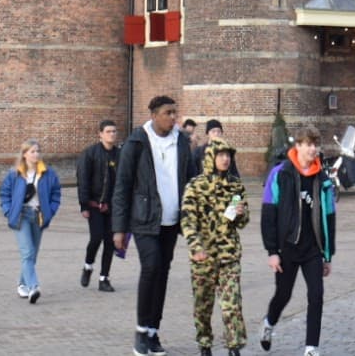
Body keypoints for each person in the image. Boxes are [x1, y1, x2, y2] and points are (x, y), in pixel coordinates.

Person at [114, 95, 199, 356]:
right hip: (144, 218)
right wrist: (118, 227)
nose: (173, 117)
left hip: (172, 220)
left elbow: (192, 179)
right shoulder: (137, 142)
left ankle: (153, 331)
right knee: (151, 267)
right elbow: (122, 185)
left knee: (162, 272)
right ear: (153, 114)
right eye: (167, 112)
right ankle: (141, 331)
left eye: (175, 112)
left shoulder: (182, 141)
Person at [258, 126, 337, 356]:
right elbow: (268, 214)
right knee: (283, 295)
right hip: (287, 248)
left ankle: (311, 347)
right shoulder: (280, 173)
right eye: (309, 144)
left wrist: (328, 255)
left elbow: (329, 217)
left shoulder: (322, 179)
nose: (313, 149)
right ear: (298, 146)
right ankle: (268, 324)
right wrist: (272, 251)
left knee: (316, 295)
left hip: (312, 249)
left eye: (315, 144)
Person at [181, 137, 250, 356]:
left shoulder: (235, 185)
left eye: (228, 155)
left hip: (229, 254)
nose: (225, 159)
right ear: (210, 157)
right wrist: (196, 247)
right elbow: (187, 221)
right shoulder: (195, 186)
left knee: (232, 304)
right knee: (203, 305)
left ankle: (234, 346)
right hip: (203, 257)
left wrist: (240, 215)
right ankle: (204, 343)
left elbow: (243, 221)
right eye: (221, 155)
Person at [0, 138, 62, 304]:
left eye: (38, 151)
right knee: (27, 252)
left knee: (32, 254)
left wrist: (51, 211)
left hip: (38, 216)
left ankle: (22, 284)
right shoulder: (15, 174)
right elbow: (5, 194)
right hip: (21, 216)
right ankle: (34, 287)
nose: (36, 154)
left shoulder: (48, 173)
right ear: (25, 154)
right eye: (32, 151)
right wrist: (8, 211)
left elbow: (56, 194)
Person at [79, 119, 122, 292]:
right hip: (95, 204)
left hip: (113, 207)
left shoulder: (120, 155)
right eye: (108, 131)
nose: (112, 134)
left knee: (110, 242)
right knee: (96, 238)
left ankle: (104, 278)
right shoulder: (90, 153)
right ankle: (88, 266)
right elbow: (83, 179)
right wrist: (84, 205)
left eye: (114, 131)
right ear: (100, 134)